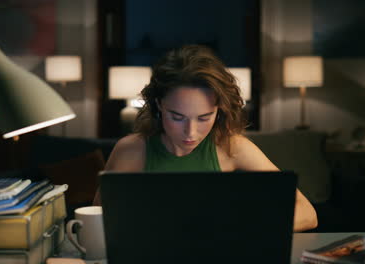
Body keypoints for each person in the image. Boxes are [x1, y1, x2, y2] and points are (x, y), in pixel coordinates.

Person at [93, 45, 317, 232]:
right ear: (159, 104)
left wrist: (241, 226)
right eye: (177, 117)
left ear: (219, 110)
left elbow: (307, 213)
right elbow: (96, 222)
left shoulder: (234, 147)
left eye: (204, 117)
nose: (190, 132)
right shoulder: (130, 151)